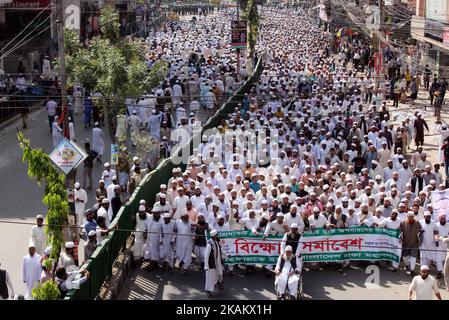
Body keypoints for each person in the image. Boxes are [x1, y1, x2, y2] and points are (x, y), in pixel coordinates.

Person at [400, 212, 422, 276]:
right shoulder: (403, 222)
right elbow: (400, 231)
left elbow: (420, 231)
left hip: (414, 243)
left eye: (412, 217)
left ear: (413, 217)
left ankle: (412, 270)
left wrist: (420, 239)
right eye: (409, 217)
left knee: (413, 258)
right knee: (405, 257)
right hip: (405, 243)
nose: (411, 218)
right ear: (407, 217)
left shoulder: (417, 223)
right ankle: (407, 266)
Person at [204, 229, 224, 298]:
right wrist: (206, 266)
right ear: (214, 236)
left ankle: (218, 283)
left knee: (219, 274)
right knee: (210, 278)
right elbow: (206, 256)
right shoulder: (209, 245)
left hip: (217, 263)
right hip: (211, 264)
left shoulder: (216, 243)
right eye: (217, 235)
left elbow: (219, 252)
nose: (218, 236)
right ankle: (208, 291)